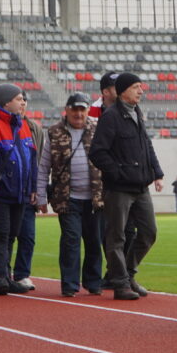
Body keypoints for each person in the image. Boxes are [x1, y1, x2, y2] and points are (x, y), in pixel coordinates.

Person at [88, 72, 163, 301]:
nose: (141, 91)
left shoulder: (137, 113)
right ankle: (120, 284)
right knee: (116, 237)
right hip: (119, 188)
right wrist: (118, 173)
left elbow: (146, 145)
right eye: (136, 87)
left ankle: (128, 274)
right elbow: (97, 152)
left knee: (149, 232)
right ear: (123, 91)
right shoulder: (111, 117)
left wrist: (157, 173)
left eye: (141, 87)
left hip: (141, 186)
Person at [37, 92, 104, 297]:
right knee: (71, 239)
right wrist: (40, 196)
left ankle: (93, 282)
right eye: (74, 109)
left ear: (87, 111)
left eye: (82, 109)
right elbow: (44, 166)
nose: (78, 113)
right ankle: (69, 284)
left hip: (95, 199)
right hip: (67, 198)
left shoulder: (98, 129)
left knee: (94, 241)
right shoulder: (55, 132)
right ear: (66, 110)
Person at [0, 83, 39, 295]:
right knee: (0, 233)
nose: (23, 102)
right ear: (6, 102)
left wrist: (32, 187)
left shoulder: (22, 125)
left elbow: (31, 158)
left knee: (12, 234)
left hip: (20, 191)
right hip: (0, 192)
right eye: (19, 98)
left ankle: (5, 273)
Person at [12, 97, 46, 291]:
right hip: (8, 191)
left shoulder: (35, 128)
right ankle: (0, 273)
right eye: (19, 100)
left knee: (28, 236)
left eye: (25, 100)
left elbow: (39, 160)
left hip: (28, 191)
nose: (23, 103)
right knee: (5, 235)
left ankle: (22, 274)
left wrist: (38, 188)